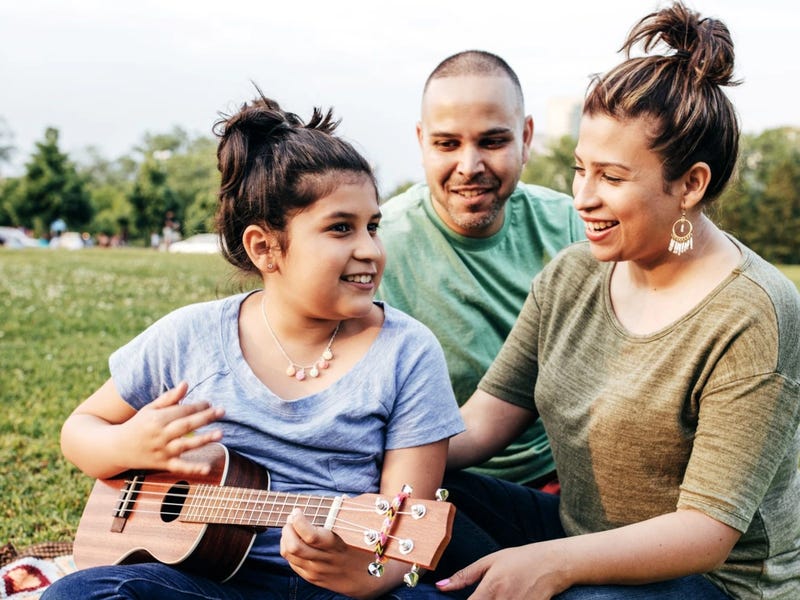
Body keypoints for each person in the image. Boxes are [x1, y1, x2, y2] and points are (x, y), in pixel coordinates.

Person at [433, 3, 800, 599]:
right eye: (580, 169)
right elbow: (481, 422)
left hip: (710, 581)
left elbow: (706, 532)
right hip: (578, 536)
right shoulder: (572, 274)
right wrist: (369, 452)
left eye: (611, 177)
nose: (582, 197)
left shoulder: (753, 312)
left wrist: (553, 564)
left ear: (691, 184)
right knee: (424, 497)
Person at [42, 92, 464, 600]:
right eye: (340, 229)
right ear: (264, 247)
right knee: (83, 594)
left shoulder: (408, 352)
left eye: (372, 227)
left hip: (334, 586)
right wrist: (127, 446)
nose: (369, 250)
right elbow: (79, 430)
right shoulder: (190, 336)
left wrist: (357, 575)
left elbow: (401, 538)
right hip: (201, 581)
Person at [376, 50, 585, 490]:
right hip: (428, 478)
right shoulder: (375, 249)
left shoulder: (572, 227)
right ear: (421, 142)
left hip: (566, 476)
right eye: (447, 144)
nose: (469, 167)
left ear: (526, 138)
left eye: (492, 142)